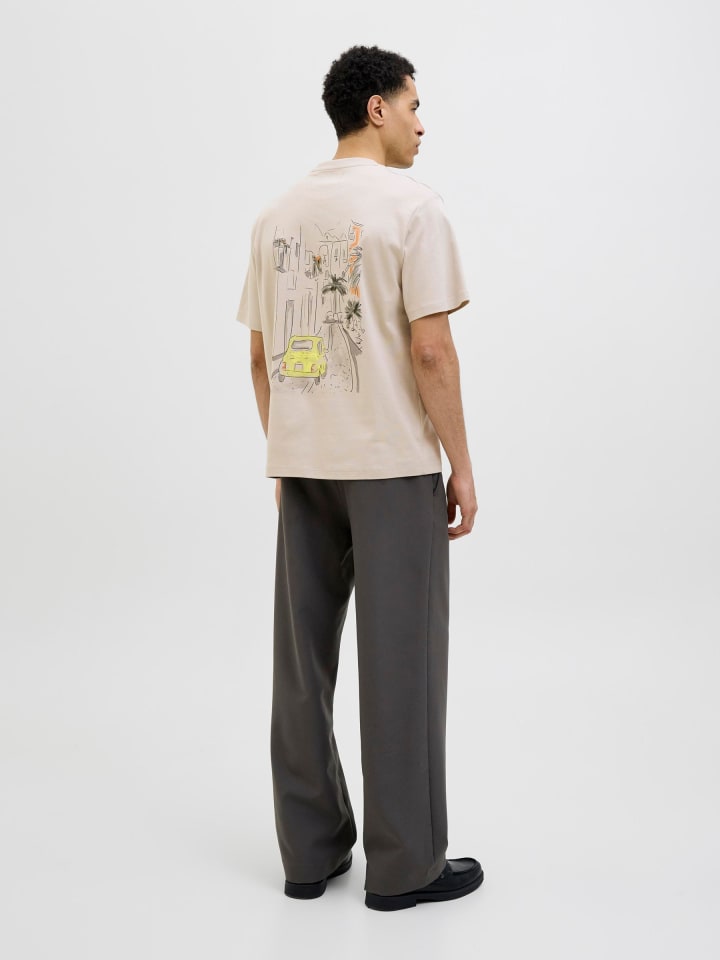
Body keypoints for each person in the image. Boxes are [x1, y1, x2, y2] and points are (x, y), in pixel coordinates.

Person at [235, 44, 483, 912]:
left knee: (301, 665)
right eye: (414, 105)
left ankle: (308, 855)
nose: (422, 124)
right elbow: (430, 350)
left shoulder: (275, 217)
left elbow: (259, 357)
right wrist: (461, 464)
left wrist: (287, 449)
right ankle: (405, 866)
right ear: (376, 108)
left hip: (303, 466)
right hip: (389, 464)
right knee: (401, 661)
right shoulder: (412, 209)